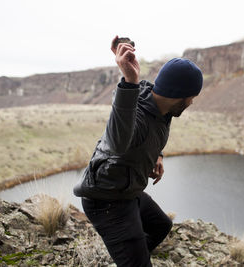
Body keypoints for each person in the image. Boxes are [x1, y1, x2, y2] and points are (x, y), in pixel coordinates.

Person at [73, 35, 203, 266]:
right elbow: (117, 144)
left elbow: (155, 135)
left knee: (161, 226)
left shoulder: (164, 109)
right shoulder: (136, 112)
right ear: (178, 95)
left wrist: (157, 155)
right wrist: (129, 82)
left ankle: (131, 255)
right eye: (191, 96)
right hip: (107, 200)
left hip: (128, 191)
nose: (192, 102)